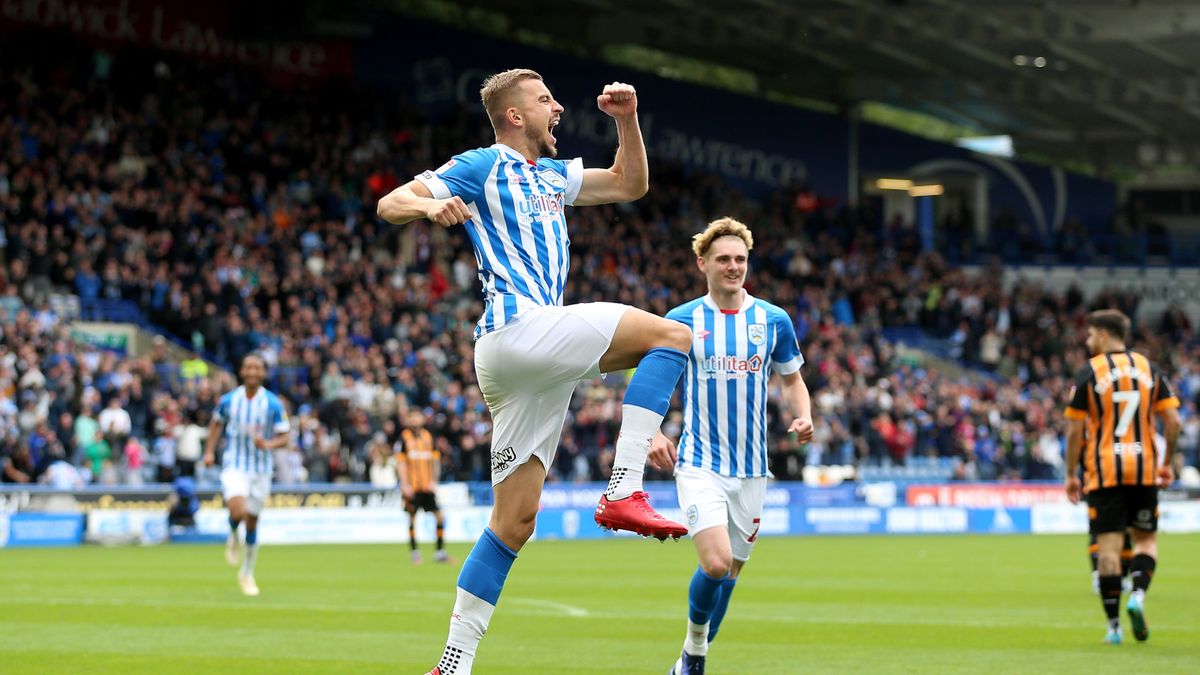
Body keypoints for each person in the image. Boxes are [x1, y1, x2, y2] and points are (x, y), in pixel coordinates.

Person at [378, 68, 692, 675]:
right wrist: (431, 202)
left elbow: (630, 184)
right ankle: (623, 487)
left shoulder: (553, 174)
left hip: (528, 365)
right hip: (518, 332)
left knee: (514, 523)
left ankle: (451, 664)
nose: (558, 110)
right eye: (546, 100)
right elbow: (391, 202)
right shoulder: (481, 163)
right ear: (516, 115)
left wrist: (626, 120)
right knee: (673, 335)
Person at [646, 218, 813, 674]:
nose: (733, 266)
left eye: (740, 258)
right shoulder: (682, 320)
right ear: (703, 263)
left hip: (753, 470)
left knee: (731, 575)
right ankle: (695, 653)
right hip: (700, 463)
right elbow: (650, 382)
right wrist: (655, 431)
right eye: (723, 259)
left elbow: (793, 379)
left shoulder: (773, 320)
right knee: (716, 564)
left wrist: (804, 414)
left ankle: (688, 658)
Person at [1064, 309, 1181, 644]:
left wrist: (1072, 474)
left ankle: (1114, 627)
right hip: (1144, 469)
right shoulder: (1149, 368)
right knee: (1145, 541)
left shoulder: (1090, 372)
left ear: (1102, 334)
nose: (1088, 341)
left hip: (1104, 472)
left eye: (1090, 335)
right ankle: (1139, 595)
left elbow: (1074, 431)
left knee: (1109, 551)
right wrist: (1167, 462)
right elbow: (1173, 422)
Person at [203, 354, 291, 597]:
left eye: (257, 368)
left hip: (261, 469)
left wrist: (269, 444)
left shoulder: (272, 403)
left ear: (263, 373)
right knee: (238, 510)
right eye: (248, 367)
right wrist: (209, 451)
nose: (252, 371)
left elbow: (285, 437)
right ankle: (233, 533)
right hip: (235, 464)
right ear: (242, 372)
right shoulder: (229, 400)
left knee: (252, 521)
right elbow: (215, 425)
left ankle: (247, 572)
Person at [396, 410, 447, 565]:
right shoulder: (403, 438)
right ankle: (415, 553)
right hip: (412, 487)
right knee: (412, 518)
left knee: (439, 517)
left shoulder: (429, 437)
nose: (414, 420)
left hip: (427, 486)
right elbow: (400, 462)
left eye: (417, 416)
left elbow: (435, 460)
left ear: (422, 419)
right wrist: (404, 484)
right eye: (411, 417)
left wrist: (434, 481)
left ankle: (439, 552)